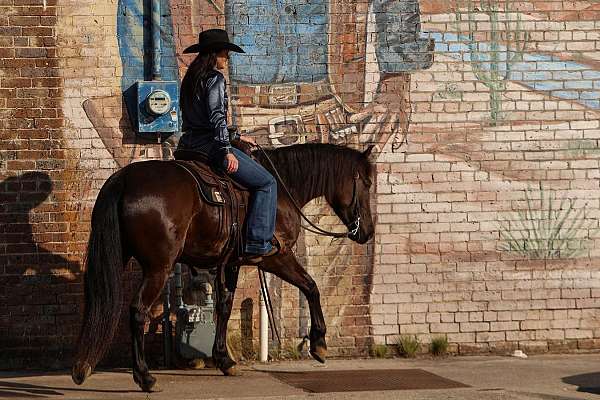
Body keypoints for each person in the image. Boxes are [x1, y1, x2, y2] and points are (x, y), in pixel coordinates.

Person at [177, 29, 279, 263]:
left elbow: (199, 121)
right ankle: (257, 242)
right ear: (214, 55)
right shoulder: (215, 79)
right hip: (211, 147)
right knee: (267, 182)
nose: (227, 58)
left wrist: (238, 136)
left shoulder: (190, 79)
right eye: (225, 54)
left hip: (188, 145)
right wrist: (226, 150)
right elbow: (216, 118)